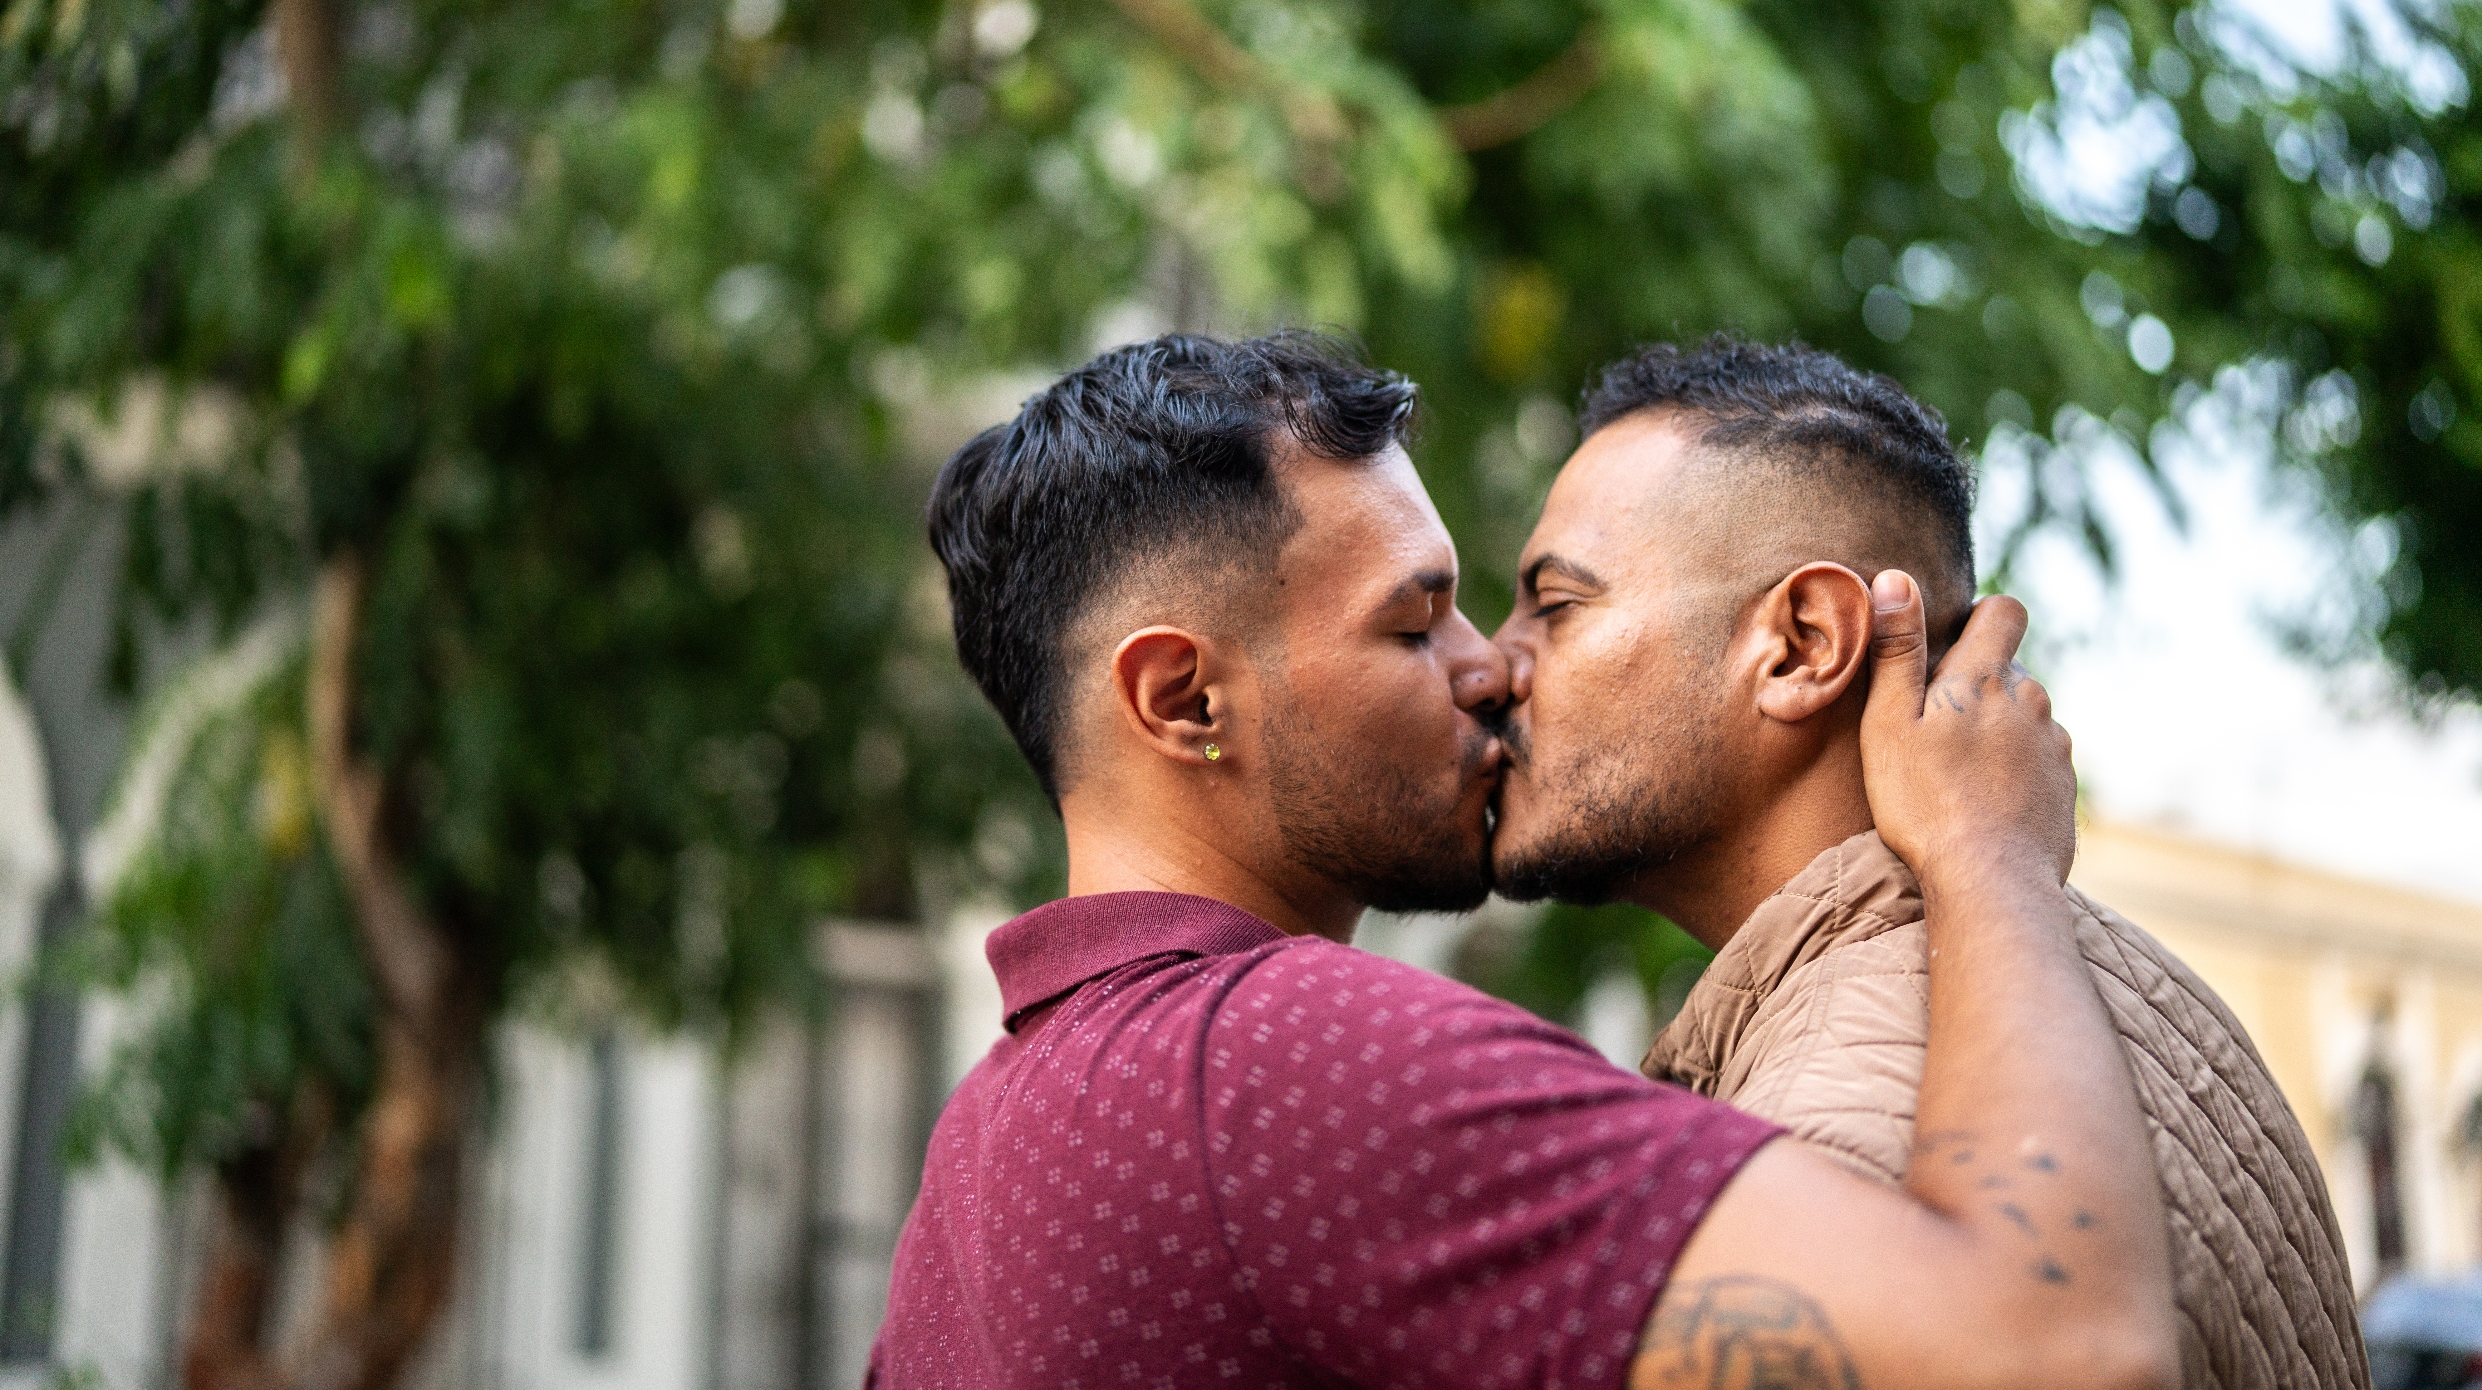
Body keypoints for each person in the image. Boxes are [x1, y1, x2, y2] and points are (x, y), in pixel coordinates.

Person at [870, 330, 2178, 1390]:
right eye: (1412, 621)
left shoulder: (975, 1152)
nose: (1488, 664)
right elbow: (2056, 1352)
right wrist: (1989, 854)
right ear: (1183, 697)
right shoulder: (1280, 1060)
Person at [1489, 335, 2366, 1390]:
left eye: (1555, 603)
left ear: (1803, 644)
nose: (1494, 662)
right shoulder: (2124, 979)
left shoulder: (1834, 1147)